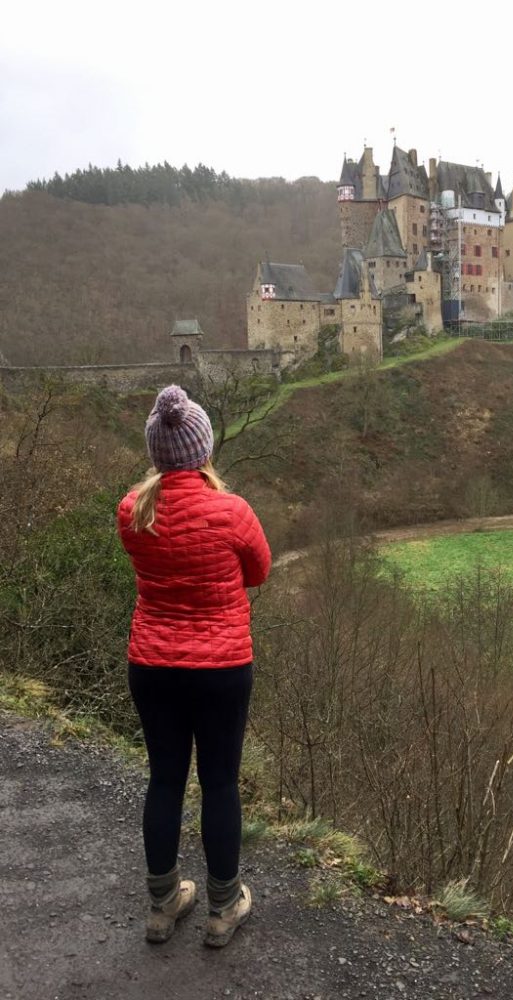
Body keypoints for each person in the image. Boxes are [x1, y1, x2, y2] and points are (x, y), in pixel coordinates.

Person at [117, 384, 271, 947]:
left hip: (152, 664)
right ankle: (222, 908)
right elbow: (259, 571)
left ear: (157, 452)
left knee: (164, 780)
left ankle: (163, 905)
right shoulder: (233, 512)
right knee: (220, 783)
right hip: (222, 666)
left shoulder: (132, 511)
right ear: (204, 450)